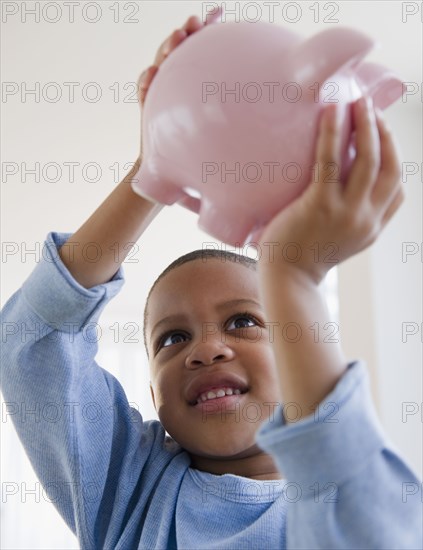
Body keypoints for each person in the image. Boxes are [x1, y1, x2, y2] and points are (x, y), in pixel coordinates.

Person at [1, 13, 422, 550]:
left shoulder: (345, 496)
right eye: (171, 339)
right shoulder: (130, 492)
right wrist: (152, 168)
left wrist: (291, 277)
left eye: (244, 320)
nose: (207, 350)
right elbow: (32, 341)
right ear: (153, 393)